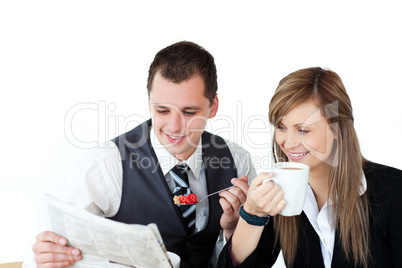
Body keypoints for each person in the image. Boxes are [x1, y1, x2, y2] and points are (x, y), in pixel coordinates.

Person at [25, 41, 255, 268]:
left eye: (189, 112)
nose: (174, 127)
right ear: (149, 103)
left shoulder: (238, 161)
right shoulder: (107, 163)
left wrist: (233, 229)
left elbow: (248, 257)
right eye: (162, 110)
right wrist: (44, 257)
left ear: (213, 106)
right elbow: (47, 251)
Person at [218, 67, 402, 267]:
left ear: (338, 129)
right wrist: (251, 214)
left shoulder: (394, 190)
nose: (288, 143)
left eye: (303, 130)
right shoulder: (277, 196)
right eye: (281, 127)